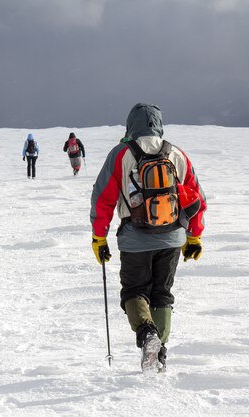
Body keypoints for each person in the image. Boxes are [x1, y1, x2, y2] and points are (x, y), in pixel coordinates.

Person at [89, 103, 207, 372]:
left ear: (130, 125)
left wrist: (99, 237)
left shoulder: (121, 154)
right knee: (162, 294)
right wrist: (194, 237)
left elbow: (103, 198)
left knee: (135, 291)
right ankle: (160, 353)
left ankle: (147, 335)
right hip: (173, 237)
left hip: (135, 238)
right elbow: (196, 197)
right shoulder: (176, 153)